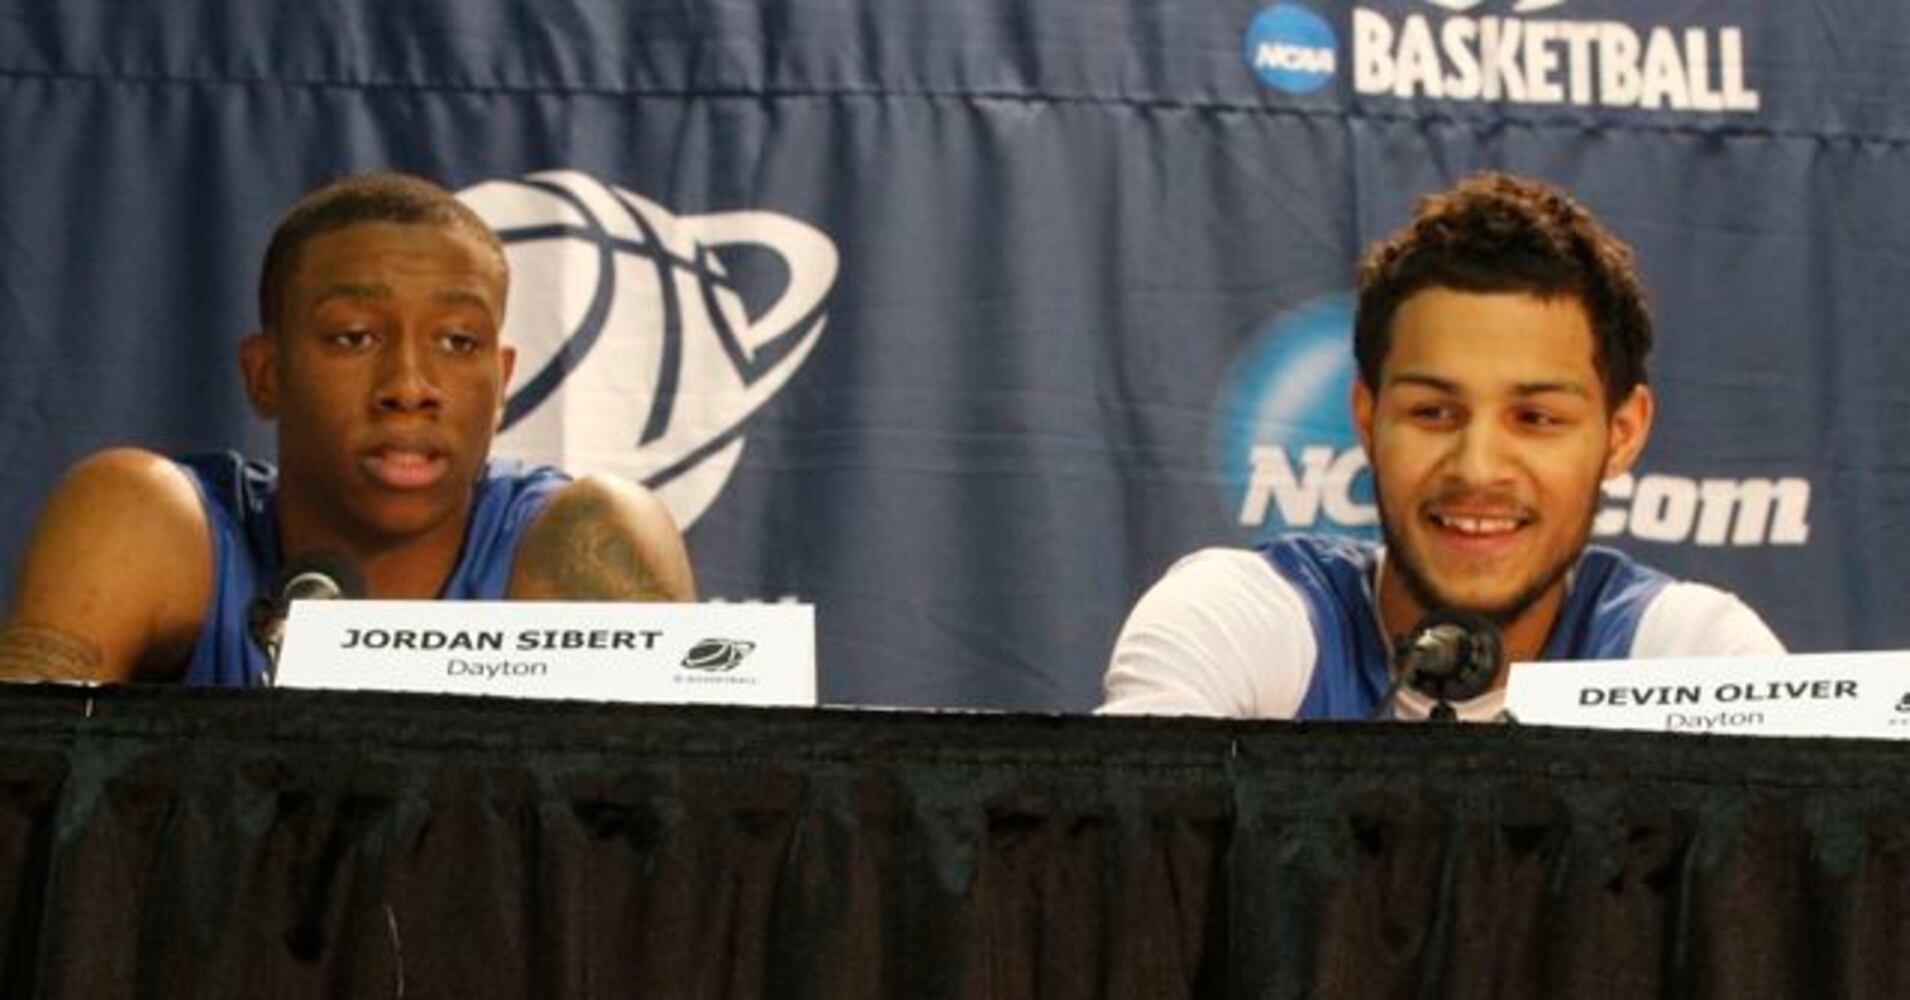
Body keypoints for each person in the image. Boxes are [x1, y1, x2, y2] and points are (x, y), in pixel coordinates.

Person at [1101, 172, 1782, 721]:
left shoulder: (1688, 652)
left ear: (1623, 433)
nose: (1477, 467)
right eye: (1433, 412)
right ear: (1367, 417)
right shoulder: (1243, 617)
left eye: (1536, 418)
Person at [0, 172, 695, 686]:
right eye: (354, 336)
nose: (409, 388)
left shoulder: (583, 535)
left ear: (503, 381)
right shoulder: (152, 517)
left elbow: (676, 851)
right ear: (266, 373)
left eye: (458, 342)